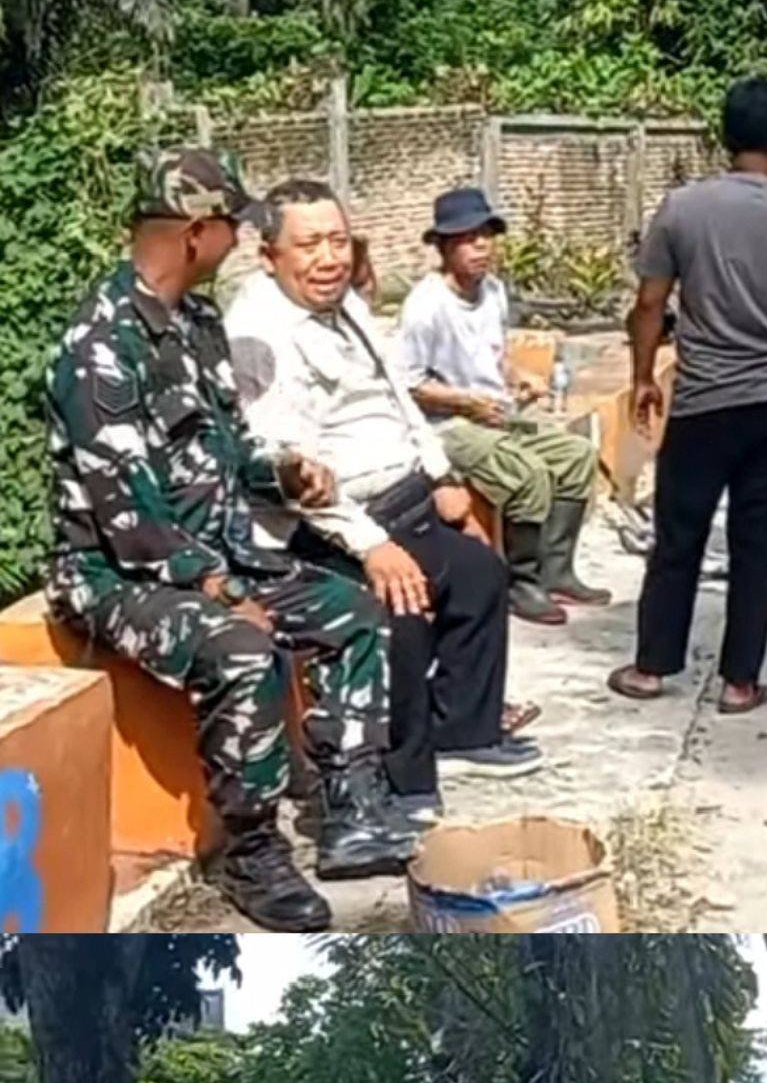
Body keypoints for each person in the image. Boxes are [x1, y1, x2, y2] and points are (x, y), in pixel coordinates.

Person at [45, 147, 420, 933]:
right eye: (232, 228)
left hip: (212, 554)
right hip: (118, 578)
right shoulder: (101, 345)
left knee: (350, 609)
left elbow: (225, 452)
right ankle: (250, 852)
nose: (240, 244)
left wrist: (286, 476)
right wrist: (221, 588)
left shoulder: (196, 323)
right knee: (242, 652)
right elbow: (127, 516)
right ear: (195, 232)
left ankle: (350, 809)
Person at [225, 178, 542, 788]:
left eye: (339, 241)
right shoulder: (258, 334)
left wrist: (441, 473)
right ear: (270, 257)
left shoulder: (347, 305)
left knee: (479, 572)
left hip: (404, 497)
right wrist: (371, 545)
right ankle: (396, 770)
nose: (329, 258)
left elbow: (399, 394)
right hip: (334, 528)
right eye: (310, 244)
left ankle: (466, 732)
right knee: (403, 601)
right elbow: (291, 472)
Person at [609, 76, 767, 718]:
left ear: (726, 135)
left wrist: (640, 376)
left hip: (703, 401)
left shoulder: (682, 209)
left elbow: (650, 303)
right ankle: (741, 681)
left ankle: (651, 666)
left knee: (678, 538)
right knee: (755, 545)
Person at [400, 188, 610, 625]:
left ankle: (557, 570)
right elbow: (407, 383)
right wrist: (467, 402)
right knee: (526, 474)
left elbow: (494, 356)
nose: (480, 247)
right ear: (442, 247)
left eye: (486, 236)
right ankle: (521, 582)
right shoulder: (426, 306)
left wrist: (519, 377)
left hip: (493, 412)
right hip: (445, 425)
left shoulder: (493, 291)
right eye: (467, 238)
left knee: (576, 456)